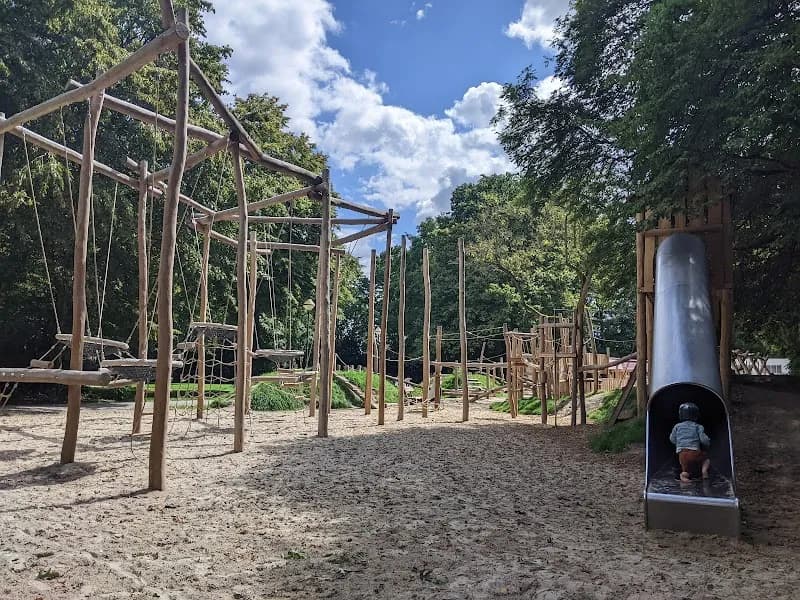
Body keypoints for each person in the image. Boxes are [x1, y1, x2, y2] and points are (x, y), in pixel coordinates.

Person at [669, 402, 711, 482]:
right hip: (694, 452)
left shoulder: (677, 426)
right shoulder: (698, 426)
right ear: (696, 415)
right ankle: (704, 471)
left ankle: (683, 476)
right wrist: (708, 444)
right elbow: (704, 440)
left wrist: (679, 444)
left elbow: (672, 439)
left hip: (682, 454)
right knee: (706, 460)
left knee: (686, 470)